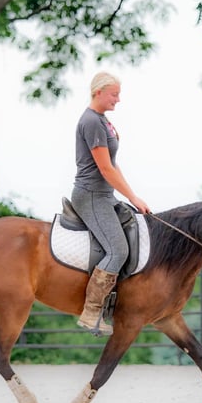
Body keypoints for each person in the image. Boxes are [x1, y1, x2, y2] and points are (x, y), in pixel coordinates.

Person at [71, 71, 151, 336]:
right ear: (99, 92)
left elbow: (113, 165)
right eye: (114, 94)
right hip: (91, 195)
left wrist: (132, 196)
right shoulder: (92, 122)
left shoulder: (103, 121)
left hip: (106, 196)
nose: (118, 99)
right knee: (118, 251)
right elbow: (105, 170)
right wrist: (133, 197)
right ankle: (92, 313)